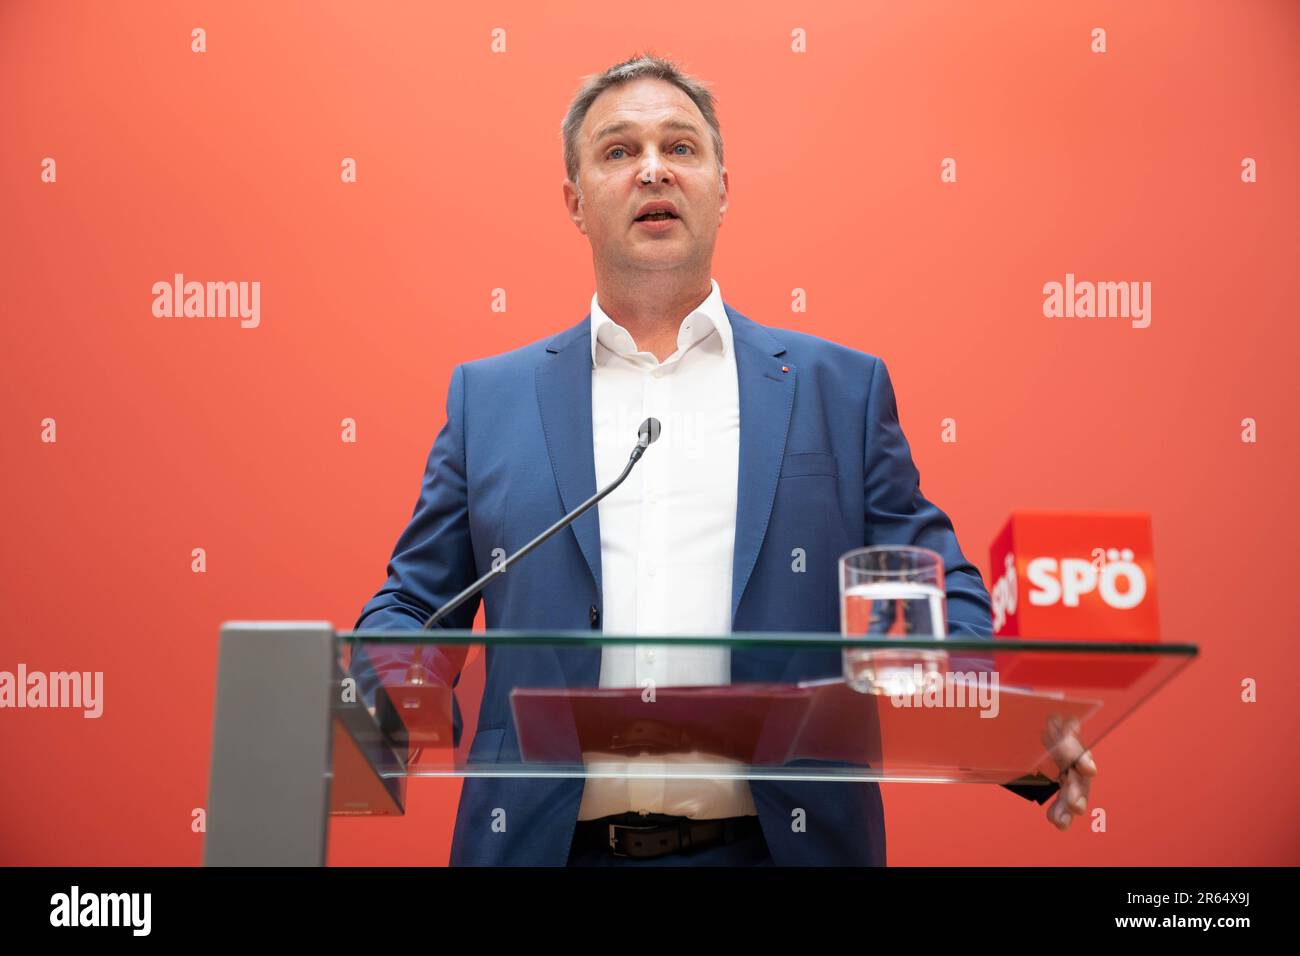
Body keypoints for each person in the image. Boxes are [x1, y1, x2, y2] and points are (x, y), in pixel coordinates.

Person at [353, 53, 1095, 866]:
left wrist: (1001, 715)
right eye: (617, 151)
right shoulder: (488, 399)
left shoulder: (838, 390)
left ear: (722, 187)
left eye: (680, 147)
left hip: (777, 848)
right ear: (574, 201)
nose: (651, 170)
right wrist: (385, 695)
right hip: (545, 848)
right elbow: (416, 602)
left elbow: (932, 582)